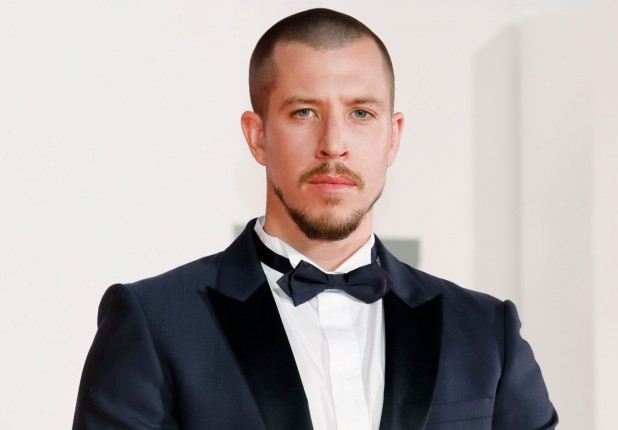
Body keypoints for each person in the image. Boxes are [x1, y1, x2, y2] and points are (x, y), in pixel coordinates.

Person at [73, 8, 558, 430]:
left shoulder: (486, 333)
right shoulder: (155, 324)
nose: (334, 144)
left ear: (393, 137)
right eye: (304, 112)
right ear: (258, 136)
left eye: (361, 113)